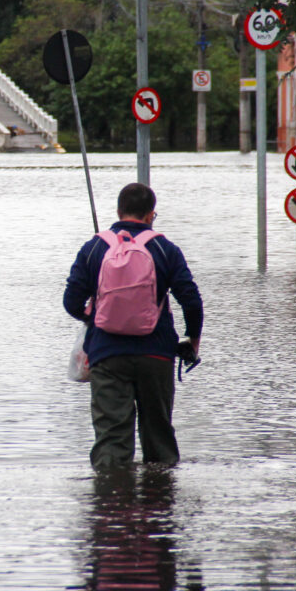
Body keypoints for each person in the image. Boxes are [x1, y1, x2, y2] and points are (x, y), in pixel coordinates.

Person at [63, 182, 203, 469]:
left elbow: (71, 301)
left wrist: (96, 318)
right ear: (151, 215)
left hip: (107, 354)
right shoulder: (165, 249)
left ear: (118, 211)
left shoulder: (94, 248)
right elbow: (191, 301)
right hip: (157, 353)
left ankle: (112, 501)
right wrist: (192, 341)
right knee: (159, 437)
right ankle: (161, 504)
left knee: (111, 439)